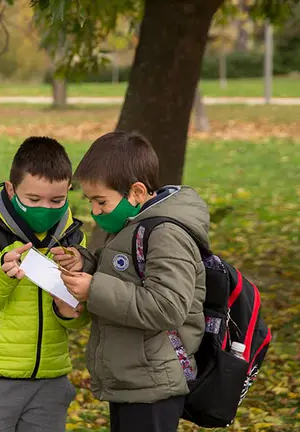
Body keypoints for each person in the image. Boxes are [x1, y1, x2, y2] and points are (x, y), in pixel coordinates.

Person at [53, 131, 208, 432]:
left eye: (101, 201)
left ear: (136, 192)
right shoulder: (133, 224)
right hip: (132, 376)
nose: (95, 211)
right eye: (90, 201)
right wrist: (85, 262)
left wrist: (93, 289)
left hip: (153, 384)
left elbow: (167, 306)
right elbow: (127, 271)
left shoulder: (167, 234)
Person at [0, 136, 89, 431]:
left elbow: (78, 316)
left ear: (68, 191)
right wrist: (1, 273)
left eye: (56, 200)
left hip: (50, 377)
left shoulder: (72, 238)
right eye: (33, 200)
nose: (45, 207)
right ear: (11, 189)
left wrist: (70, 311)